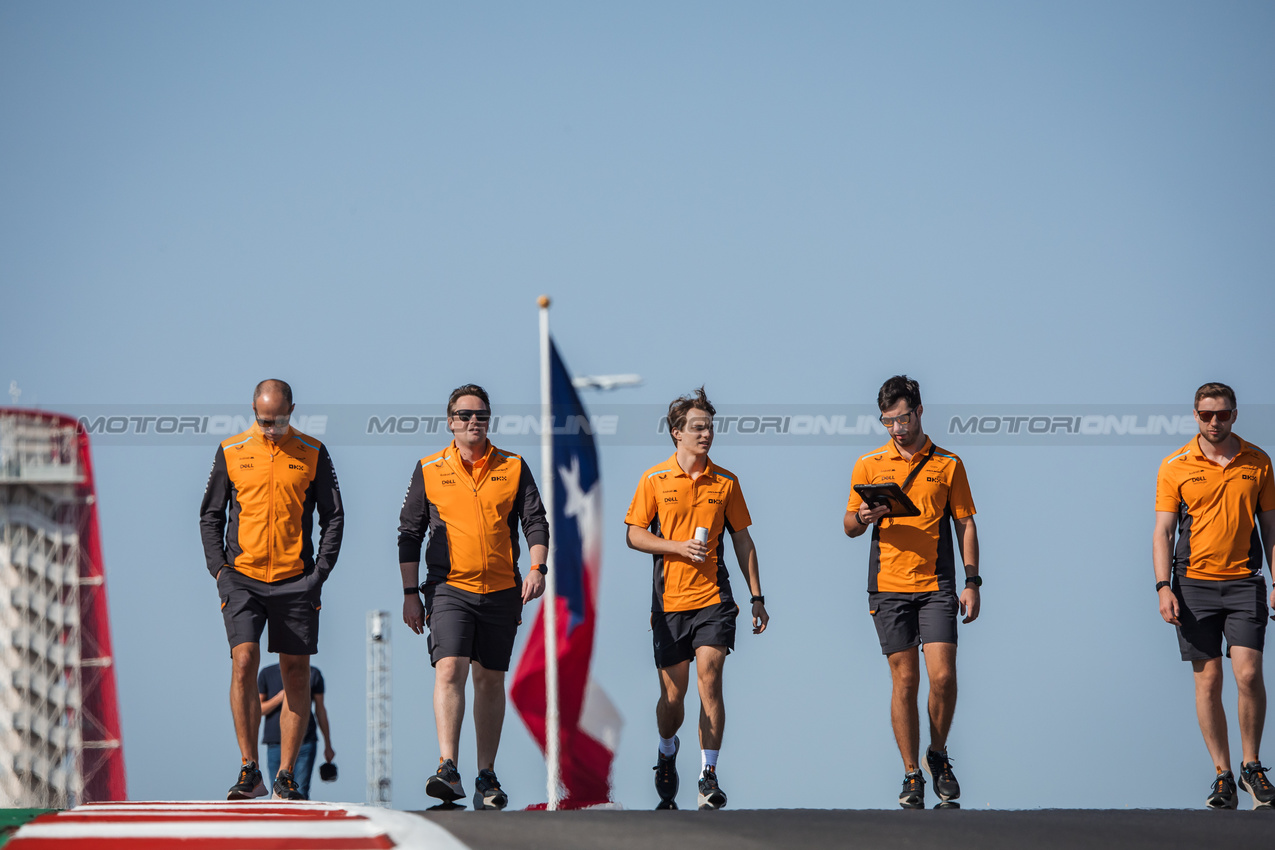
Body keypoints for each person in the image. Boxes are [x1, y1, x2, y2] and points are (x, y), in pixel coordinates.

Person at [398, 384, 548, 810]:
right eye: (464, 415)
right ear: (450, 421)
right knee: (449, 668)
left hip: (502, 590)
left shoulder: (514, 466)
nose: (472, 422)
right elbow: (409, 535)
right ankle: (448, 765)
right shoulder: (429, 468)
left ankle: (486, 774)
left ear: (489, 420)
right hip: (448, 588)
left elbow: (535, 522)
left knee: (489, 678)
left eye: (480, 415)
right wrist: (411, 594)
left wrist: (537, 568)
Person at [624, 387, 769, 811]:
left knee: (710, 676)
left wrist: (757, 596)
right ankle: (667, 752)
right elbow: (633, 534)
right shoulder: (654, 479)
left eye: (710, 427)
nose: (706, 434)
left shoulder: (726, 481)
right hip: (669, 602)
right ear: (676, 433)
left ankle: (708, 775)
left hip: (714, 599)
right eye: (697, 427)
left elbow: (743, 540)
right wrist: (676, 547)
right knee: (673, 697)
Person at [200, 379, 343, 801]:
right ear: (253, 410)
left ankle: (285, 775)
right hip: (241, 577)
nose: (271, 429)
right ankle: (249, 768)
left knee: (295, 671)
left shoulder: (313, 452)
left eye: (279, 421)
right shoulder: (231, 451)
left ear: (292, 410)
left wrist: (319, 574)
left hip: (296, 580)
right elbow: (210, 514)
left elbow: (333, 517)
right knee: (244, 660)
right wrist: (219, 571)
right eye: (264, 421)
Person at [843, 375, 980, 810]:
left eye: (902, 418)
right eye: (887, 421)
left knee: (942, 676)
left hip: (937, 585)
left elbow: (965, 523)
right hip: (888, 587)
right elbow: (847, 525)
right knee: (905, 679)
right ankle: (910, 774)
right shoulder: (868, 463)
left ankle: (937, 755)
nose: (896, 429)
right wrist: (864, 515)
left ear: (919, 411)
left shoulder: (949, 464)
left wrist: (972, 581)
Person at [1154, 381, 1275, 809]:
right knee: (1208, 681)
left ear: (1234, 415)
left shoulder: (1258, 461)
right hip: (1192, 586)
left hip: (1244, 582)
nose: (1214, 422)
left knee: (1247, 675)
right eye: (1206, 415)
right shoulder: (1175, 464)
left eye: (1221, 414)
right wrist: (1163, 586)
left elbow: (1270, 528)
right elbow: (1164, 531)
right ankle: (1222, 774)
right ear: (1196, 416)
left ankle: (1252, 766)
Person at [258, 662, 335, 799]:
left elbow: (320, 710)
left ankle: (301, 820)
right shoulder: (267, 673)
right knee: (277, 790)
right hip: (275, 743)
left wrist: (328, 745)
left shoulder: (314, 674)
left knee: (301, 790)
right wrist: (281, 698)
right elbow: (258, 709)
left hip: (306, 742)